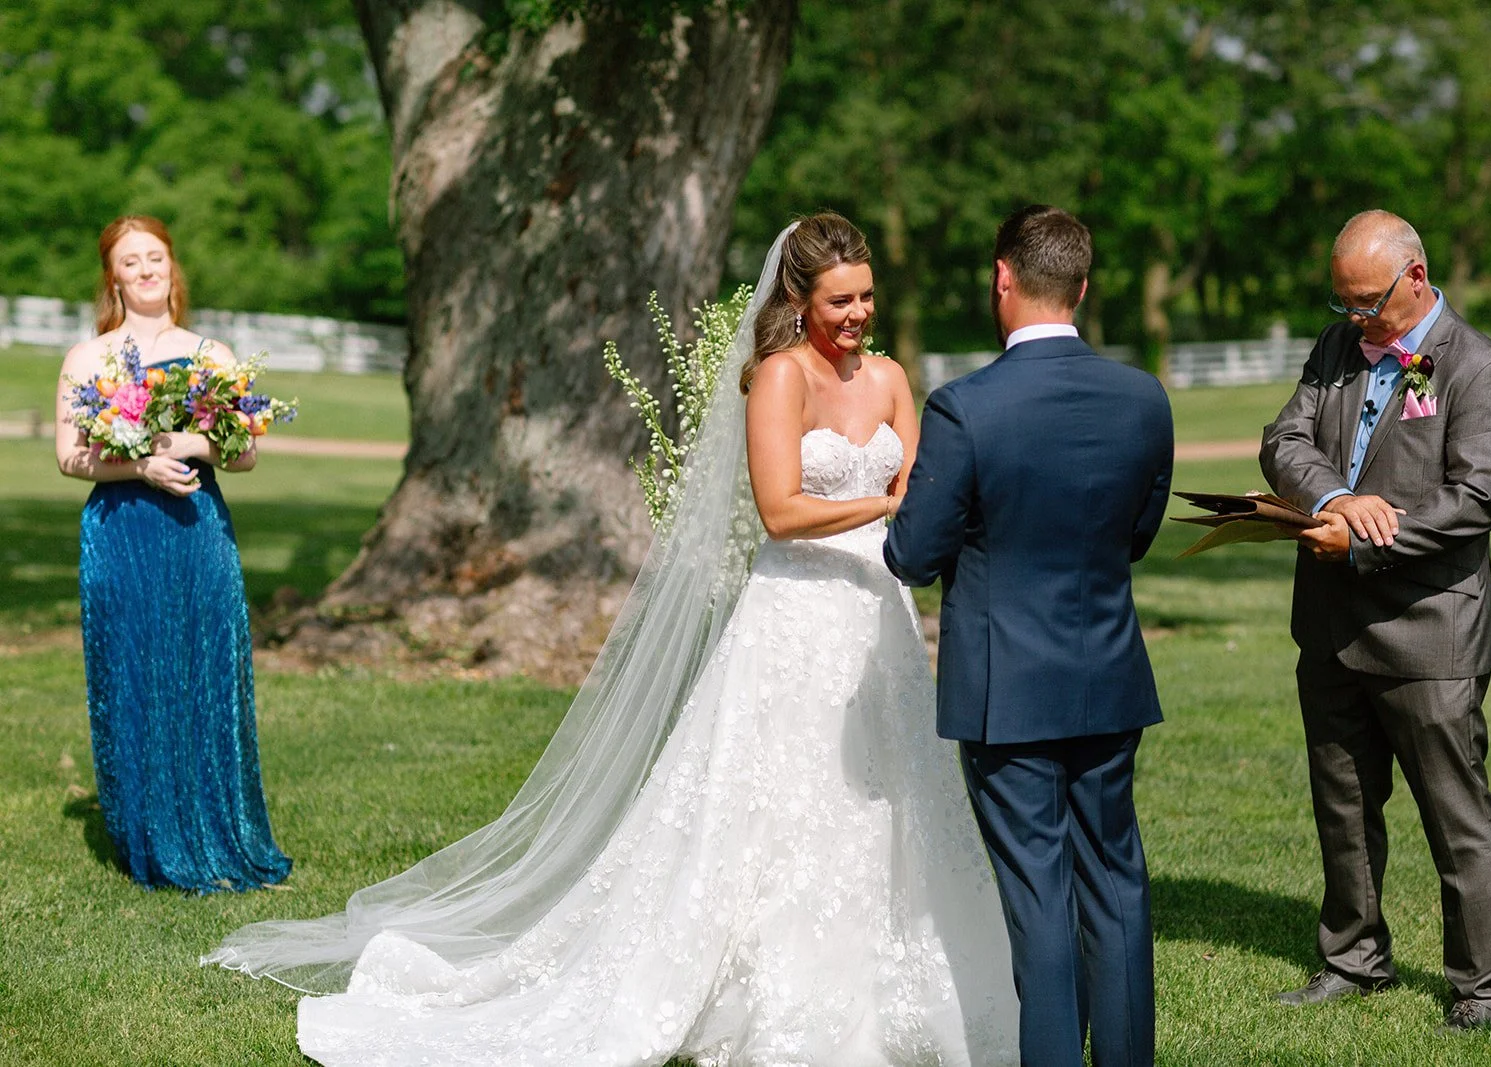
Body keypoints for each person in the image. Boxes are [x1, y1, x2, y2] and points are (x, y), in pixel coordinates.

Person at [205, 213, 1021, 1065]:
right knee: (785, 794)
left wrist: (923, 514)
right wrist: (885, 505)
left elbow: (923, 486)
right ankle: (768, 987)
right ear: (799, 298)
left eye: (866, 297)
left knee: (890, 797)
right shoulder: (780, 377)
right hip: (798, 613)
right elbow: (782, 512)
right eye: (840, 301)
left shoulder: (889, 378)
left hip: (879, 611)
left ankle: (895, 984)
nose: (857, 315)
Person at [885, 204, 1174, 1067]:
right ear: (1081, 288)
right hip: (1108, 673)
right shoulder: (1143, 398)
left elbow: (911, 553)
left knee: (1040, 898)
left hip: (1004, 687)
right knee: (1116, 881)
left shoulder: (965, 407)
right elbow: (1137, 534)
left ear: (1002, 278)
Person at [1260, 210, 1491, 1033]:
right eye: (1342, 302)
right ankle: (1353, 959)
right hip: (1331, 625)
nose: (1354, 319)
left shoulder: (1480, 369)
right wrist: (1335, 497)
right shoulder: (1337, 347)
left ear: (1416, 277)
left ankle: (1486, 988)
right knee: (1342, 805)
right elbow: (1284, 440)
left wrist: (1366, 537)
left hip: (1430, 628)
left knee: (1456, 815)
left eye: (1367, 302)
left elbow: (1475, 497)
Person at [55, 215, 291, 893]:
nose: (146, 270)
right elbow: (70, 457)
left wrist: (190, 444)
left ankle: (220, 832)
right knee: (133, 671)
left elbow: (245, 453)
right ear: (113, 277)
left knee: (205, 667)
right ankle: (148, 838)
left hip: (196, 528)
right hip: (121, 532)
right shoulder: (88, 359)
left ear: (171, 265)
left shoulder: (211, 354)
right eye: (130, 261)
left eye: (155, 257)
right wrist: (139, 467)